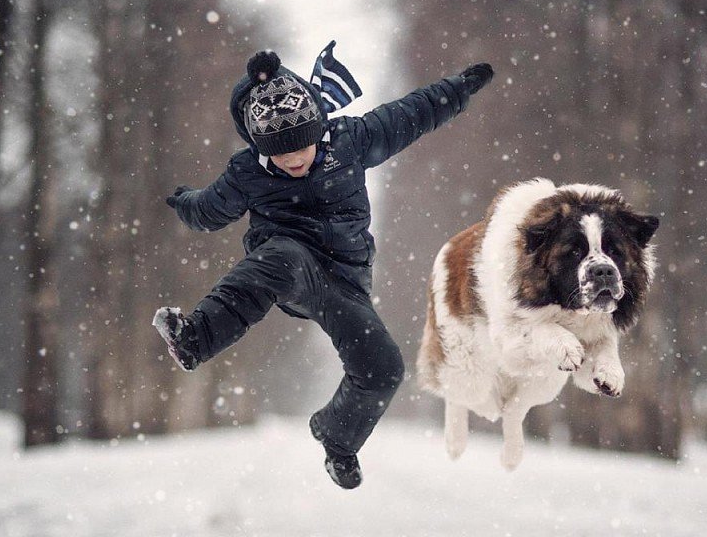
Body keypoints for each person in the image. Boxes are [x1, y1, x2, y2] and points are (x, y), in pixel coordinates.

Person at [154, 41, 493, 489]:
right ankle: (194, 338)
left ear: (317, 129)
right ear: (260, 147)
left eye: (302, 148)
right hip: (289, 268)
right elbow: (209, 211)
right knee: (282, 255)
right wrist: (183, 203)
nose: (294, 159)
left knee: (384, 367)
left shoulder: (351, 139)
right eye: (280, 153)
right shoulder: (246, 173)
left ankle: (337, 437)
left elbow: (409, 115)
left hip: (346, 281)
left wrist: (457, 90)